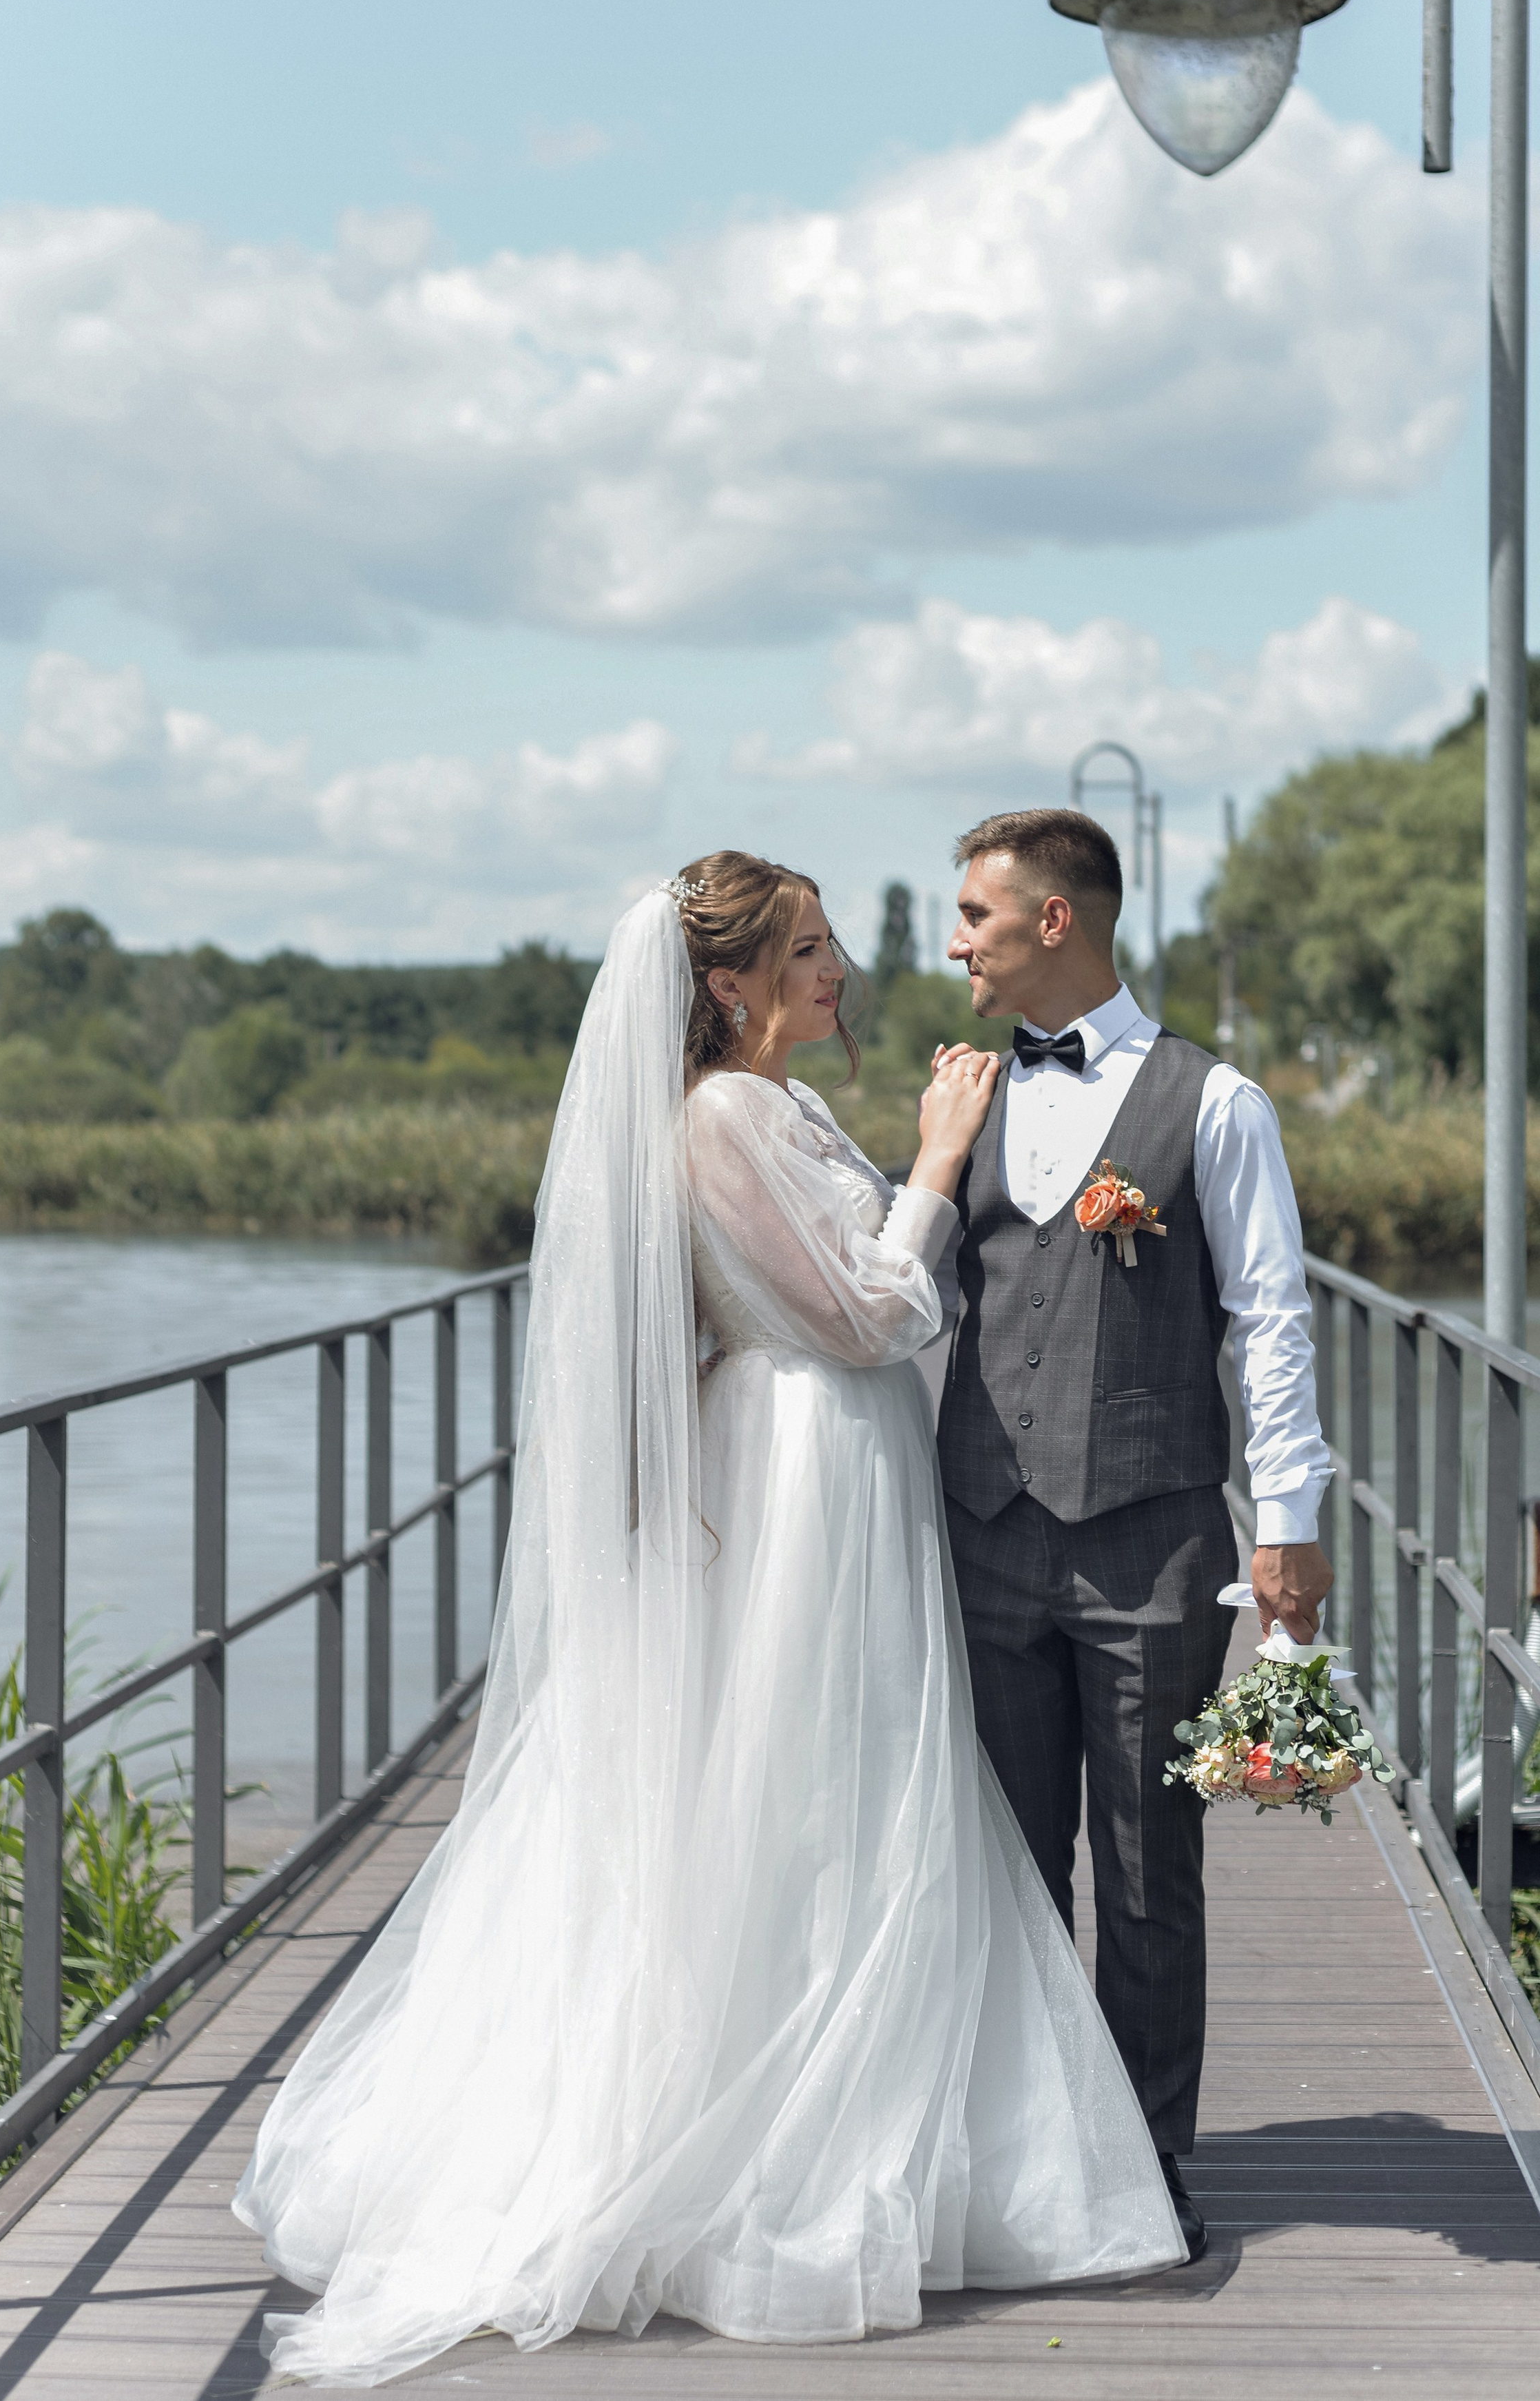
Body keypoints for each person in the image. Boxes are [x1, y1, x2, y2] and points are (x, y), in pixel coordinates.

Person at [233, 850, 1183, 2389]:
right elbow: (868, 1311)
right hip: (802, 1465)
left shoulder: (784, 1104)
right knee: (806, 1800)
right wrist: (941, 1157)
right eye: (805, 951)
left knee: (856, 1796)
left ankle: (869, 2122)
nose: (838, 972)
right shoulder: (719, 1116)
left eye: (827, 946)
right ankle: (771, 2153)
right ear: (727, 982)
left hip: (841, 1461)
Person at [937, 807, 1333, 2264]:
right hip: (976, 1525)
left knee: (1148, 1864)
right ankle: (1021, 2155)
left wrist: (1285, 1520)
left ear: (1056, 920)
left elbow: (1270, 1318)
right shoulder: (959, 1094)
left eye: (975, 911)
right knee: (1005, 1864)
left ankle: (1144, 2165)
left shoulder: (1213, 1102)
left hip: (1151, 1537)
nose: (954, 938)